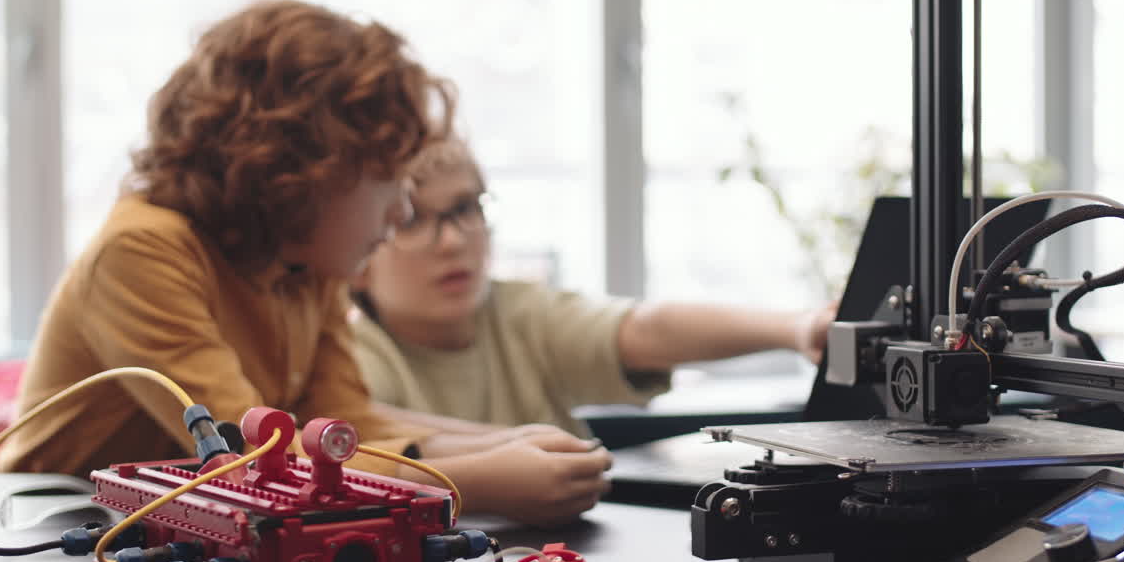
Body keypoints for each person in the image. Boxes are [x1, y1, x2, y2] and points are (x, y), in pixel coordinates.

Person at [0, 0, 610, 527]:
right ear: (307, 170)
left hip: (176, 526)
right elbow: (254, 461)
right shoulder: (141, 251)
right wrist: (477, 481)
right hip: (50, 528)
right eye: (388, 180)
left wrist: (504, 443)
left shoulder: (306, 264)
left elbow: (345, 429)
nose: (399, 215)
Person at [348, 136, 838, 438]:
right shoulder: (350, 354)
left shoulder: (519, 312)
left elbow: (648, 329)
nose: (454, 241)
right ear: (360, 246)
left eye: (465, 208)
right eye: (412, 220)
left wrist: (795, 329)